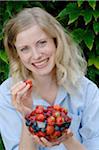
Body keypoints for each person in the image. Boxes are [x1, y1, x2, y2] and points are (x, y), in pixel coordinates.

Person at [0, 7, 99, 150]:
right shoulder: (7, 94)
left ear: (56, 42)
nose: (36, 55)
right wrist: (27, 116)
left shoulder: (87, 90)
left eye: (42, 43)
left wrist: (67, 139)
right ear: (17, 54)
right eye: (25, 49)